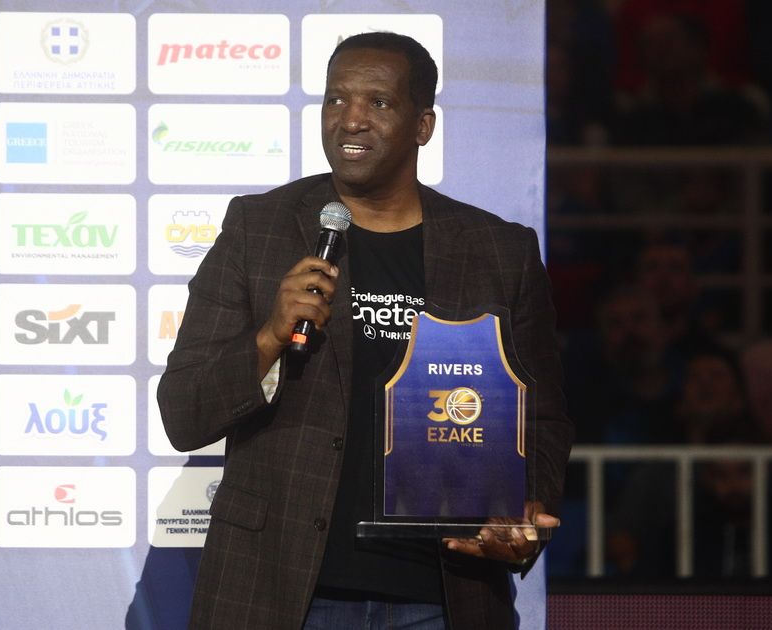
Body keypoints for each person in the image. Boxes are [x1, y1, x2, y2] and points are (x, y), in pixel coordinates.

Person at [158, 32, 572, 629]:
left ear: (423, 125)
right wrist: (270, 336)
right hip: (280, 592)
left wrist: (524, 514)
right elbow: (183, 412)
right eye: (336, 99)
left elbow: (544, 419)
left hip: (445, 596)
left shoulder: (498, 252)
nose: (350, 119)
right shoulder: (259, 229)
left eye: (378, 102)